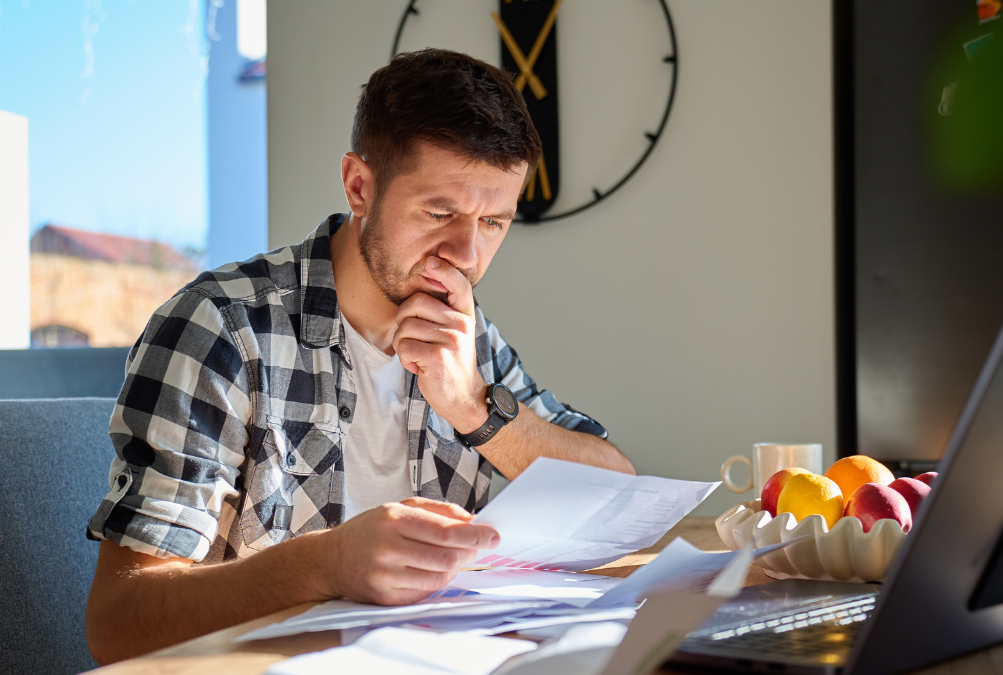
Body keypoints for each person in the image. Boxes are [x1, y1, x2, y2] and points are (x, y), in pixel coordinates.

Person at [84, 49, 633, 665]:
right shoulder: (221, 328)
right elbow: (119, 624)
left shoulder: (463, 334)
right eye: (439, 213)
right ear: (359, 186)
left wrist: (478, 409)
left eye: (493, 222)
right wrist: (325, 564)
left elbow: (618, 495)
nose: (467, 256)